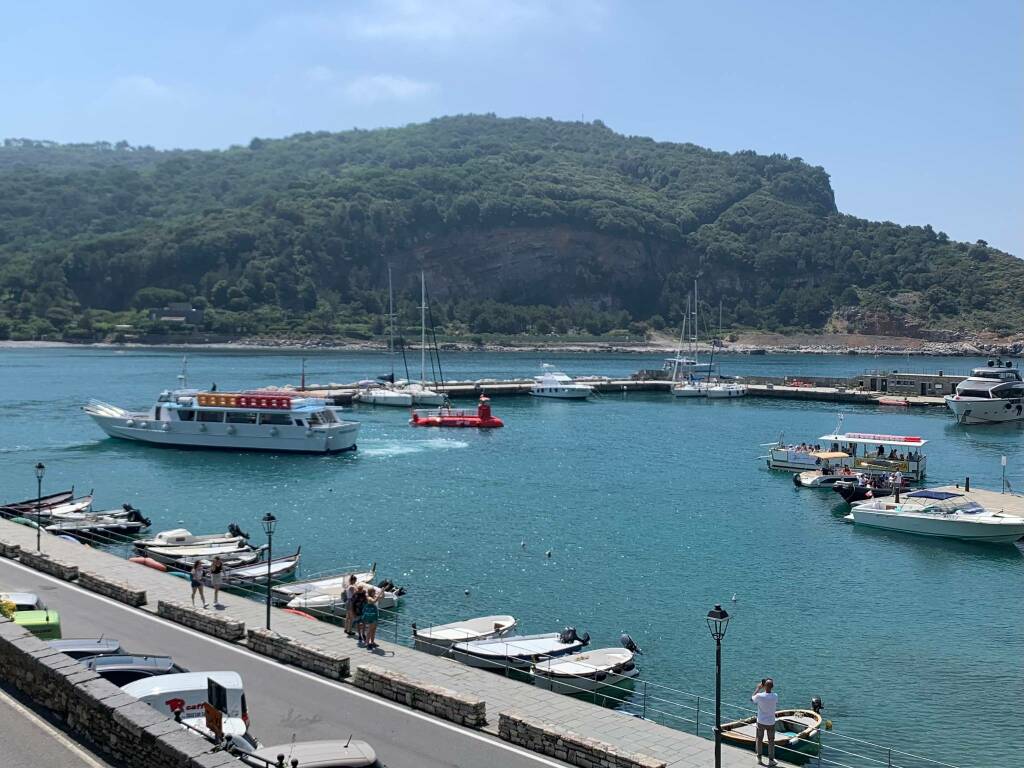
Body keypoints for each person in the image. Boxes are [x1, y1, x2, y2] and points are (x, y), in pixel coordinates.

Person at [752, 678, 779, 766]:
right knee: (771, 741)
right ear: (772, 687)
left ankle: (759, 758)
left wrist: (758, 688)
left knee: (759, 740)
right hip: (771, 722)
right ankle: (771, 759)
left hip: (761, 721)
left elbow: (752, 699)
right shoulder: (775, 696)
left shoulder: (759, 696)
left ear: (764, 686)